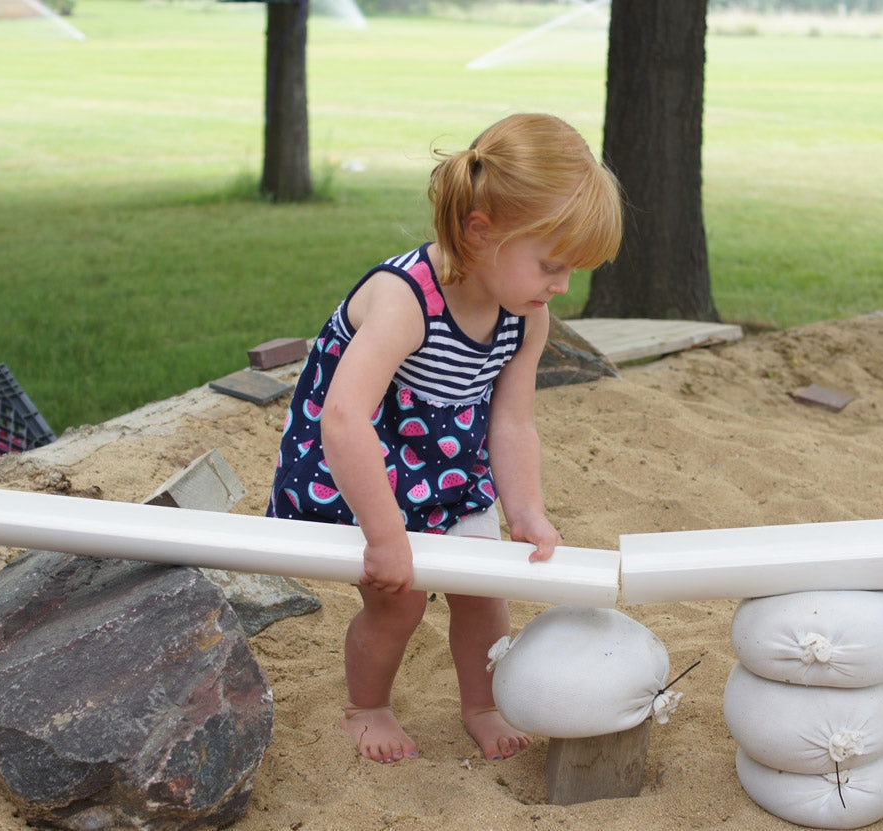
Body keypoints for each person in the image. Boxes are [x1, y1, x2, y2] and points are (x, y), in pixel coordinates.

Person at [265, 113, 622, 764]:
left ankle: (481, 704)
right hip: (363, 467)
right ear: (480, 232)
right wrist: (384, 534)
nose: (562, 285)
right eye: (551, 264)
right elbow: (343, 418)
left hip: (446, 470)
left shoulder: (525, 317)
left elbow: (511, 421)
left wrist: (527, 512)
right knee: (397, 601)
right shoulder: (405, 298)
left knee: (484, 593)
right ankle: (366, 705)